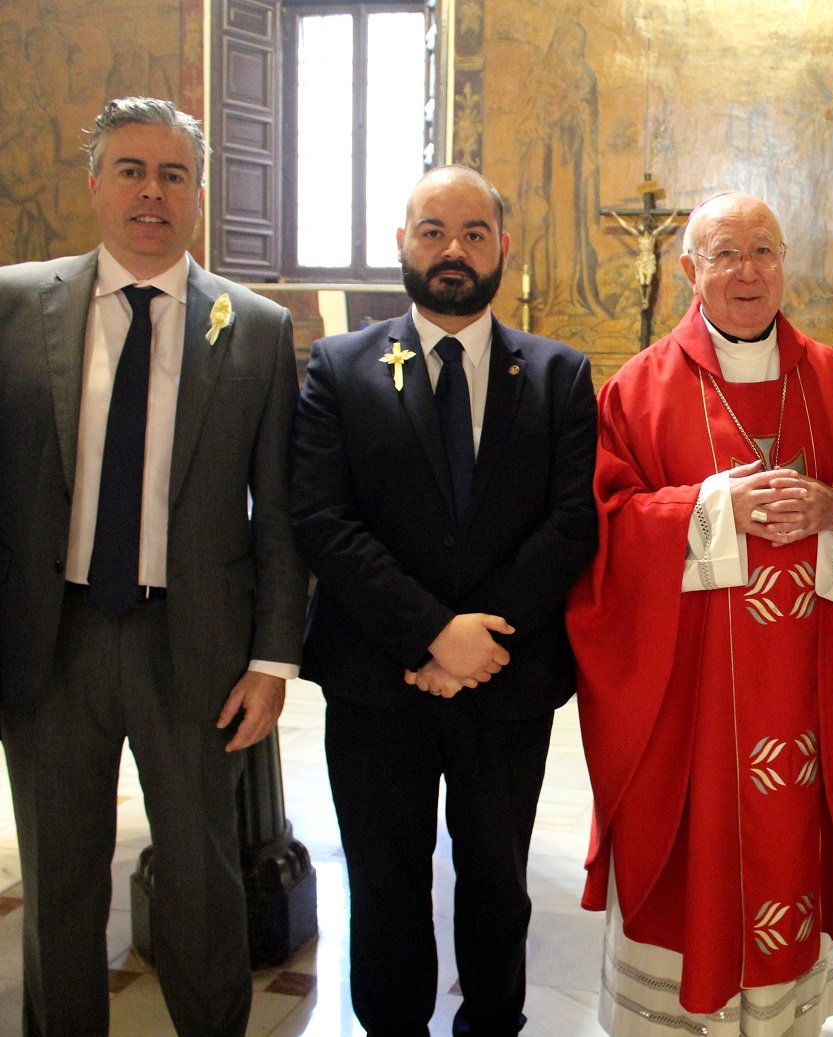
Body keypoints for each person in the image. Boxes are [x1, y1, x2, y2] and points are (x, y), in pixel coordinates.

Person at [0, 96, 307, 1034]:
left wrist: (273, 659)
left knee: (203, 878)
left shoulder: (253, 326)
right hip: (52, 639)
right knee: (59, 880)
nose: (150, 192)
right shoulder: (14, 304)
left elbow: (282, 510)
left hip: (197, 647)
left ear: (200, 197)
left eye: (173, 174)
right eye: (130, 170)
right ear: (94, 184)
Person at [567, 191, 833, 1036]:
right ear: (688, 270)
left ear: (786, 263)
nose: (746, 270)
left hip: (806, 696)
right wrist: (707, 511)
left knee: (790, 848)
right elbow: (599, 529)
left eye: (762, 250)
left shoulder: (829, 377)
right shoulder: (638, 389)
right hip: (694, 709)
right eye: (723, 253)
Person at [291, 165, 598, 1036]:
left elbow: (572, 521)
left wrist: (478, 640)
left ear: (503, 246)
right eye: (432, 230)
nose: (452, 250)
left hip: (508, 679)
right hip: (374, 678)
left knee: (498, 885)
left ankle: (491, 1026)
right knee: (384, 883)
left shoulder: (558, 373)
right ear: (402, 245)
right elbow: (321, 516)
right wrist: (429, 633)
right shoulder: (339, 367)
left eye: (472, 232)